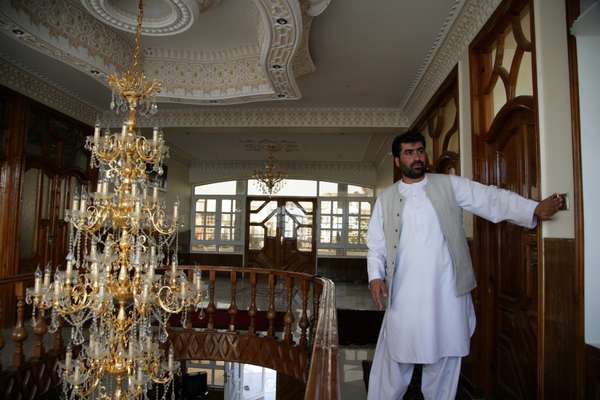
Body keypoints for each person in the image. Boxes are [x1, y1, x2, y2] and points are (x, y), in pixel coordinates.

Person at [366, 131, 563, 400]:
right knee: (396, 355)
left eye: (420, 151)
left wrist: (531, 209)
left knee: (445, 355)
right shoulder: (386, 199)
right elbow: (375, 244)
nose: (417, 157)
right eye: (409, 153)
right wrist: (376, 277)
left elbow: (489, 198)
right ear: (397, 160)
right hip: (404, 293)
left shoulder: (449, 184)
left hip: (446, 290)